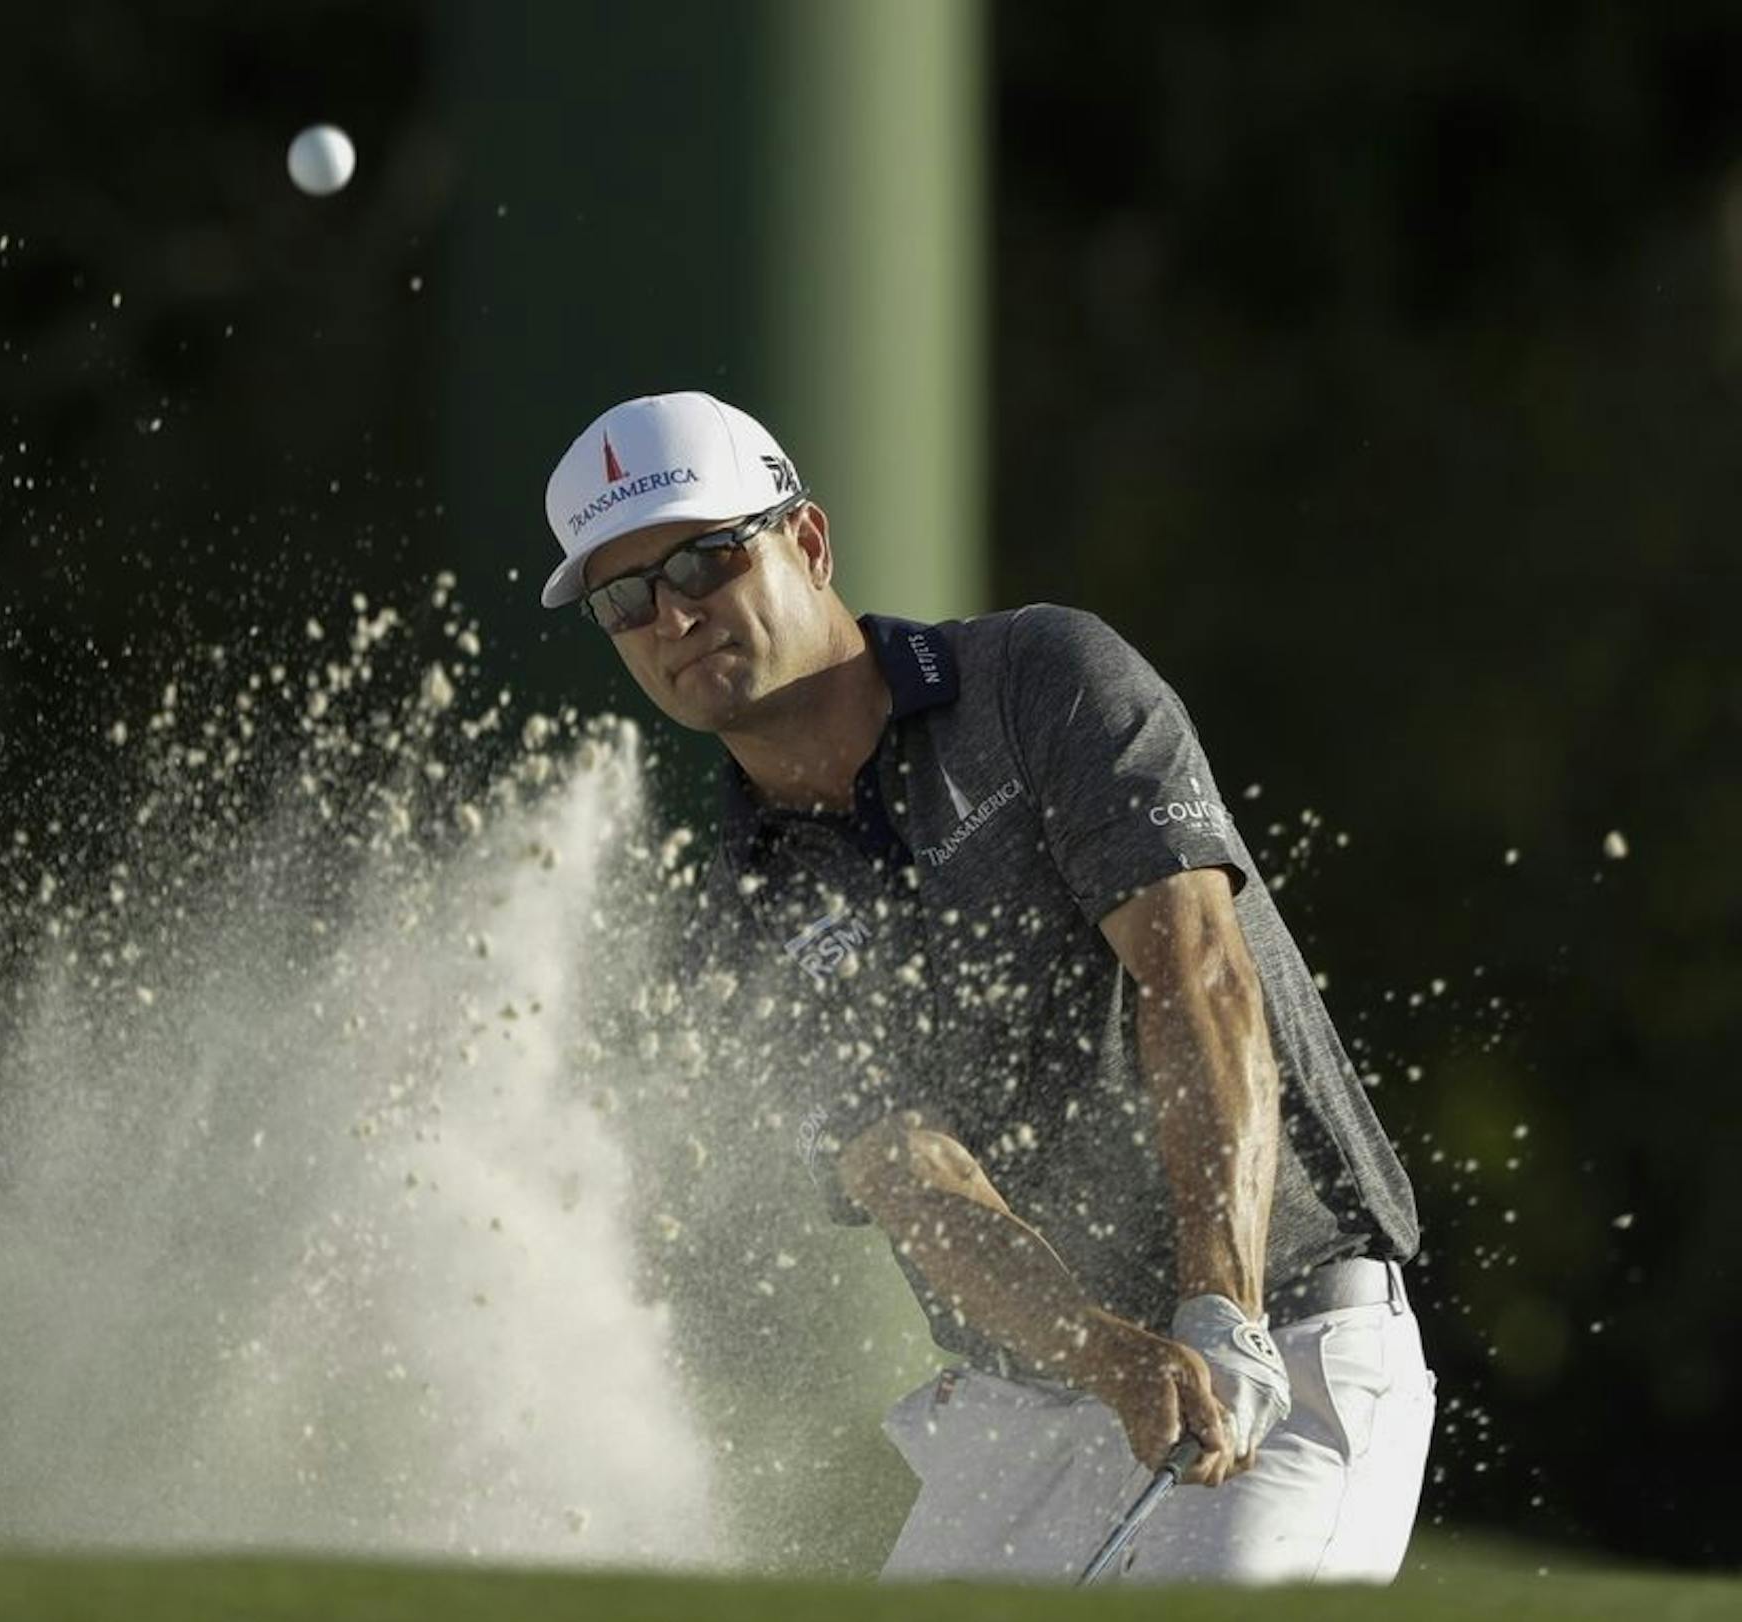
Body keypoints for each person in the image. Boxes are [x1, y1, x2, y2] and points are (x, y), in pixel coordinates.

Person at [538, 391, 1436, 1584]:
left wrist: (1217, 1302)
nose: (675, 613)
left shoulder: (1037, 679)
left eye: (704, 557)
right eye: (624, 597)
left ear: (809, 541)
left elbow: (1195, 971)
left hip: (1284, 1336)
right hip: (1028, 1403)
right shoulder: (737, 909)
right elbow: (910, 1173)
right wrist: (1110, 1355)